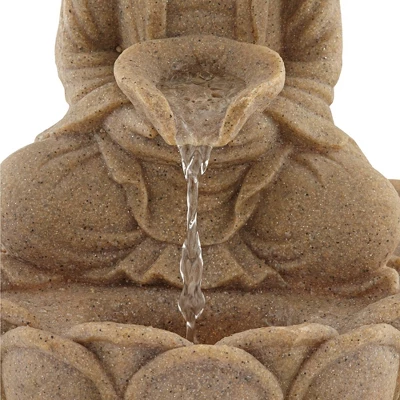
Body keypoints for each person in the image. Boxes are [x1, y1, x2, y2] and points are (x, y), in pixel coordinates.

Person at [2, 0, 400, 296]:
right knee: (20, 197)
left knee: (365, 217)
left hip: (260, 158)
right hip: (134, 154)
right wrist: (121, 119)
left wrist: (267, 125)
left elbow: (313, 69)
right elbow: (85, 60)